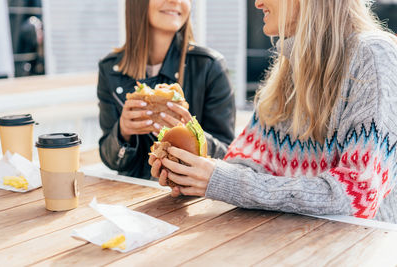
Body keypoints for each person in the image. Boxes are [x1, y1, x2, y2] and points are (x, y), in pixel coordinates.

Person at [150, 0, 397, 223]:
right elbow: (246, 165)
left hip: (360, 250)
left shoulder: (373, 55)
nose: (257, 3)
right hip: (289, 241)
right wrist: (192, 171)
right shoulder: (287, 67)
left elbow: (357, 196)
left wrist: (220, 180)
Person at [98, 0, 235, 179]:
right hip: (130, 193)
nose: (176, 1)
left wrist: (191, 135)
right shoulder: (110, 69)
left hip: (190, 197)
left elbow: (229, 156)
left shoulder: (209, 66)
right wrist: (123, 131)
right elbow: (110, 160)